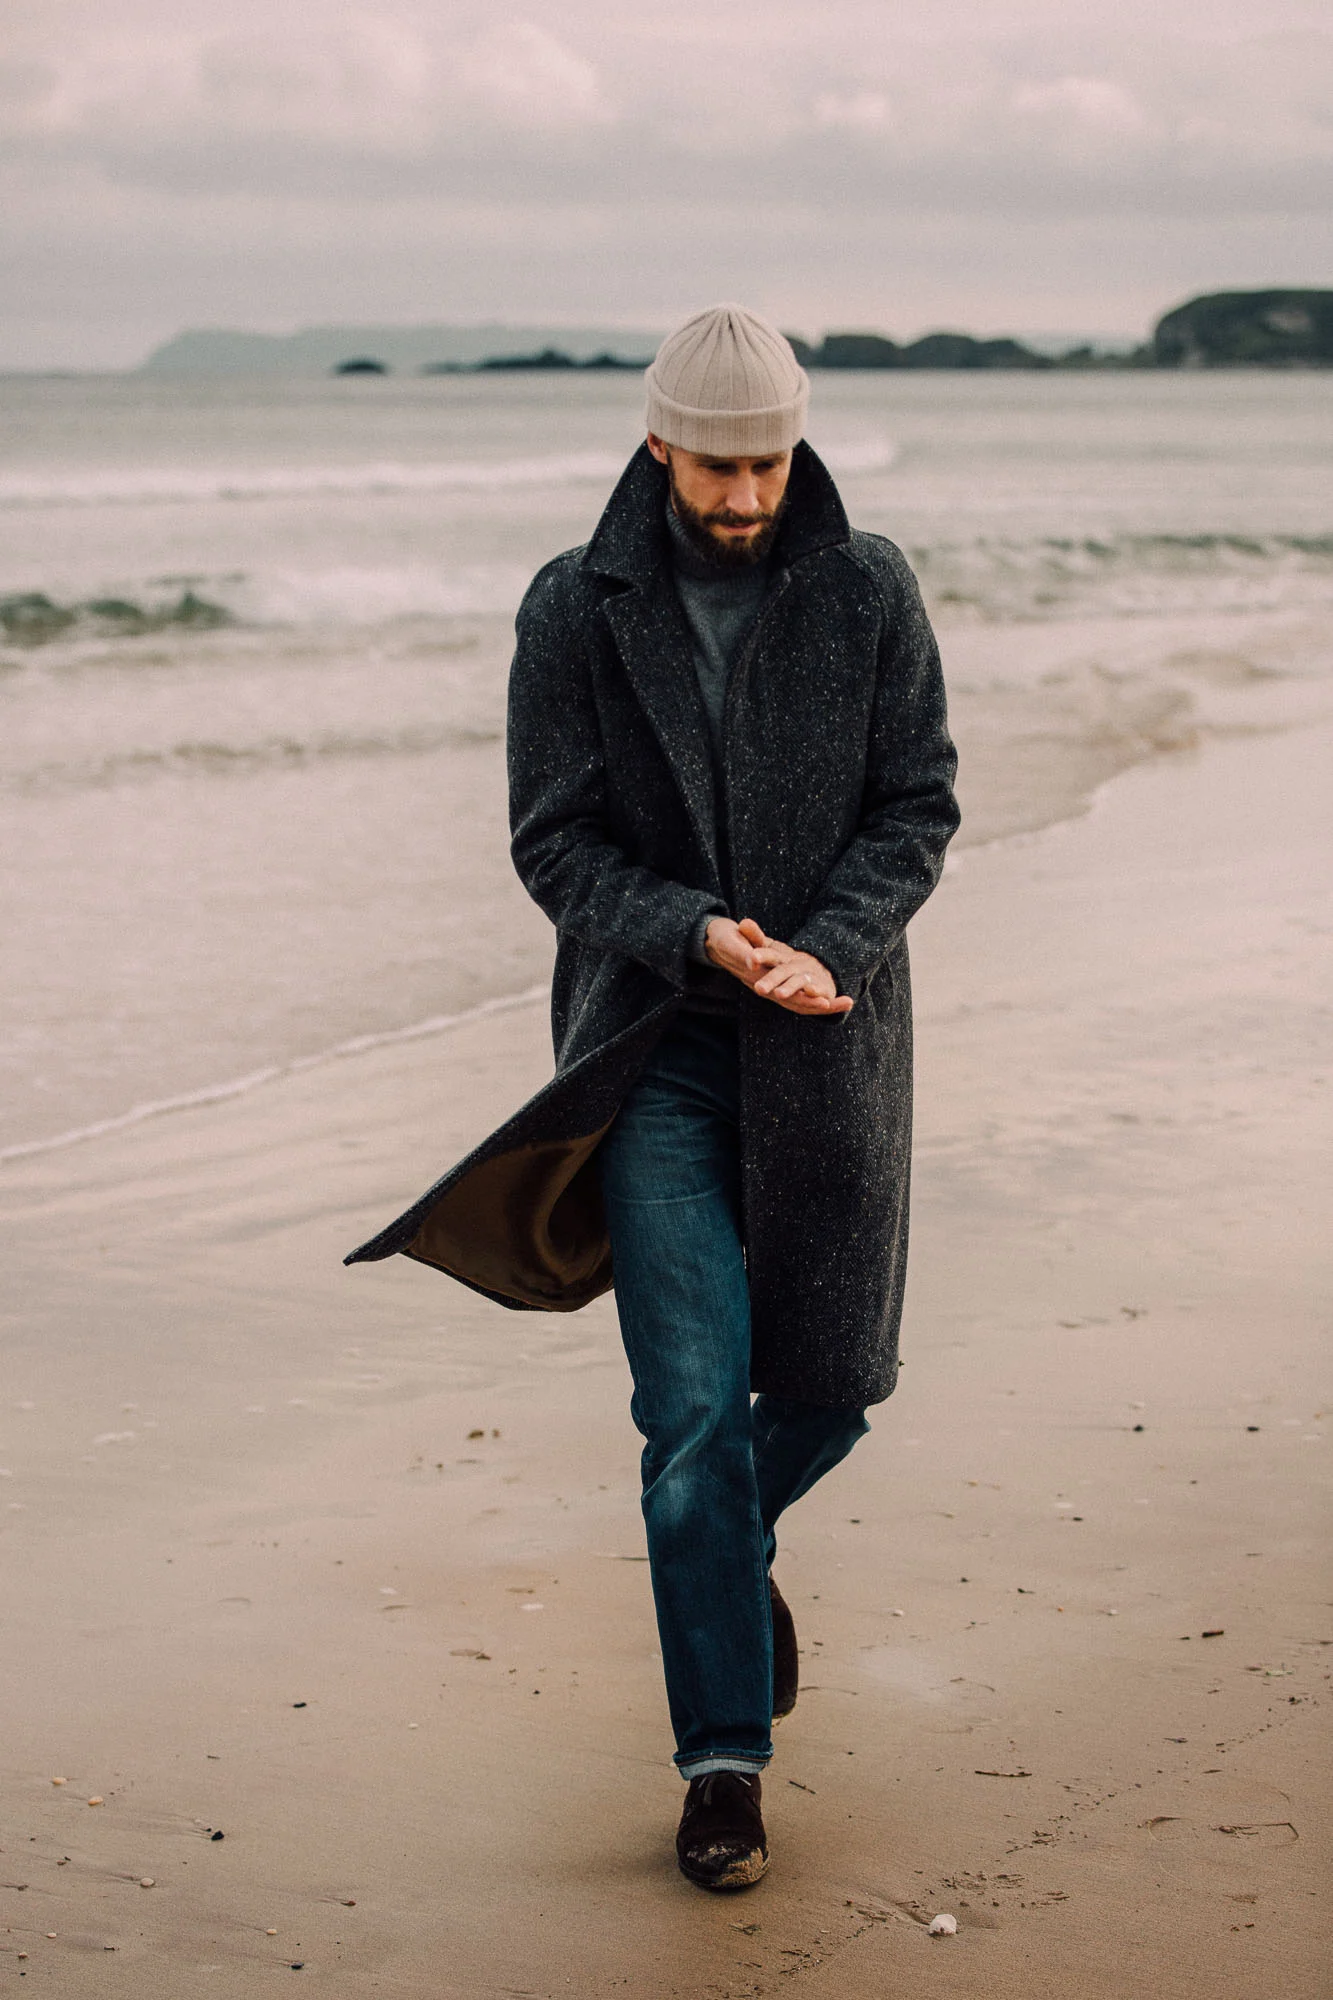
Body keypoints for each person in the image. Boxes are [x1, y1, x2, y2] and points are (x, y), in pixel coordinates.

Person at [345, 302, 959, 1892]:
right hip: (656, 1052)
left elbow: (918, 803)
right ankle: (723, 1768)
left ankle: (727, 1564)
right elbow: (554, 843)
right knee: (692, 1419)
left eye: (769, 465)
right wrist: (694, 931)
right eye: (716, 468)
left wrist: (825, 946)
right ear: (657, 446)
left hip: (829, 1043)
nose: (746, 497)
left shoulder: (871, 587)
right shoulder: (576, 606)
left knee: (835, 1385)